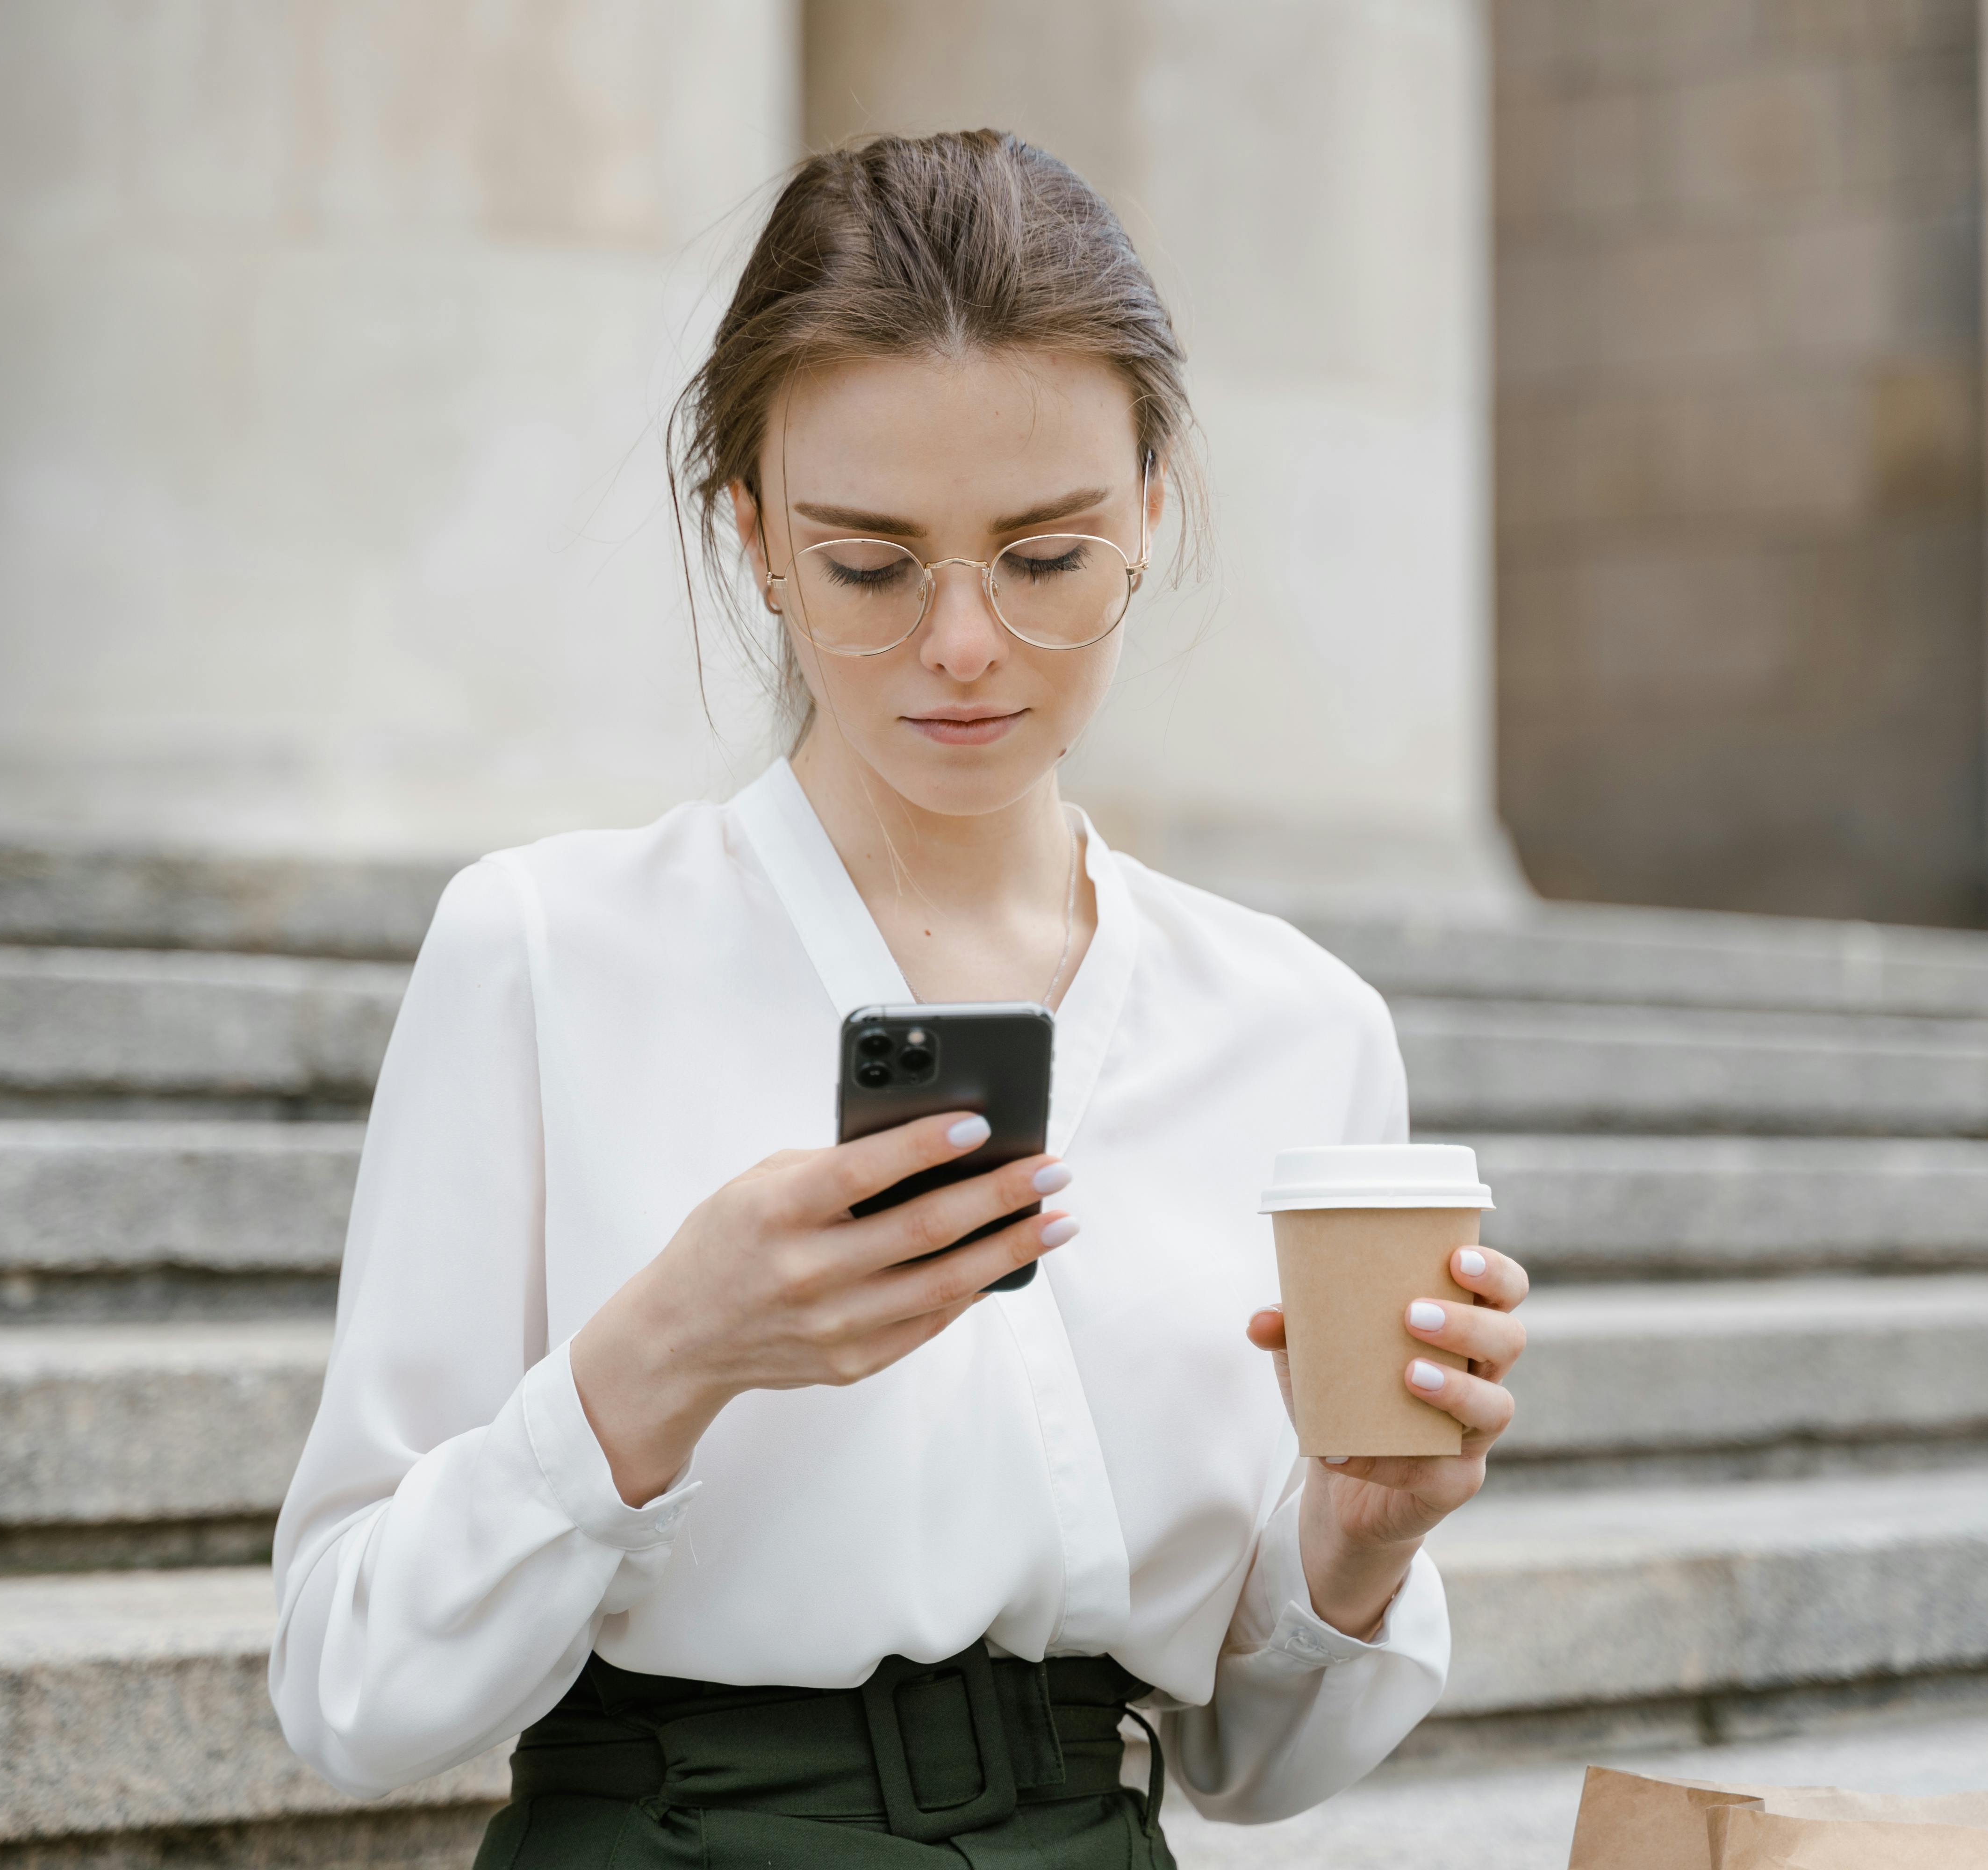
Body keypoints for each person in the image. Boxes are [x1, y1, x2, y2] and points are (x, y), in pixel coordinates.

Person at [269, 129, 1530, 1868]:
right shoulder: (548, 952)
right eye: (869, 565)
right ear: (757, 539)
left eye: (1045, 556)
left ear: (1150, 511)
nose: (960, 645)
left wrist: (1365, 1538)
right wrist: (663, 1359)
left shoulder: (1295, 1030)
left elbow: (1251, 1759)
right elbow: (350, 1690)